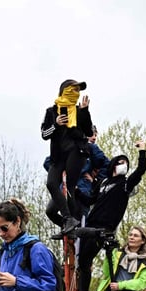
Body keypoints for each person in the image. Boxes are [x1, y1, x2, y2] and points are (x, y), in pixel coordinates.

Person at [76, 141, 146, 291]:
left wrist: (142, 150)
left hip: (104, 229)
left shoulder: (125, 184)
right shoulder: (103, 182)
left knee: (87, 259)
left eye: (126, 164)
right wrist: (75, 191)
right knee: (81, 262)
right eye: (121, 162)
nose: (124, 165)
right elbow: (90, 200)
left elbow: (141, 170)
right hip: (90, 225)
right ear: (114, 165)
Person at [41, 79, 94, 234]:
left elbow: (89, 132)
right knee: (51, 183)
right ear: (64, 90)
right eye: (73, 89)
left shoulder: (79, 110)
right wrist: (56, 124)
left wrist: (85, 112)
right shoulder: (51, 111)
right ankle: (67, 220)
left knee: (69, 186)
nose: (76, 93)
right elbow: (44, 134)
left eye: (79, 91)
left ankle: (71, 223)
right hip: (58, 155)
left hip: (76, 152)